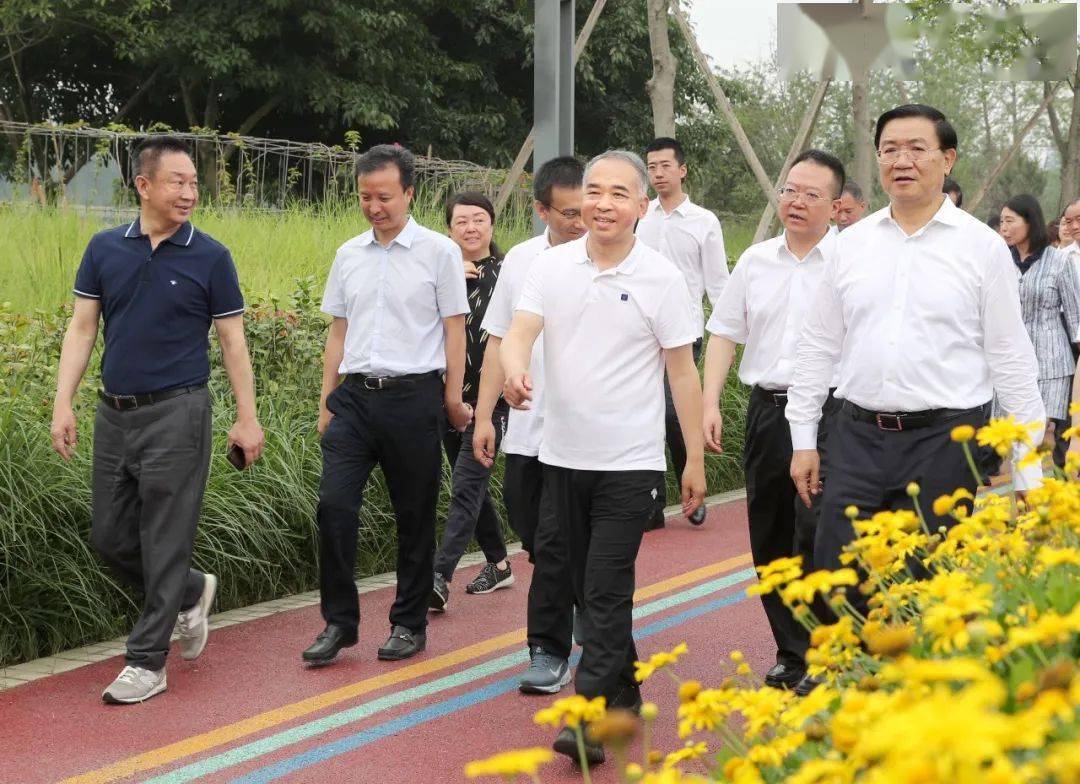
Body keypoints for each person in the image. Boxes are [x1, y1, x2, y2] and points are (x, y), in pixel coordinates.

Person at [501, 150, 706, 764]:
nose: (604, 203)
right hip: (560, 456)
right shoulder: (551, 266)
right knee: (580, 587)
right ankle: (624, 682)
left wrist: (692, 458)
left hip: (630, 463)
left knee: (606, 588)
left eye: (620, 193)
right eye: (595, 191)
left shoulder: (662, 278)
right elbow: (520, 333)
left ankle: (588, 718)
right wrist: (514, 372)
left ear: (642, 207)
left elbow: (683, 375)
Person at [787, 104, 1045, 579]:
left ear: (947, 160)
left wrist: (1028, 470)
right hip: (856, 439)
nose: (901, 160)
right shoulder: (850, 244)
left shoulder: (982, 248)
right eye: (889, 149)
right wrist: (803, 440)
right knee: (842, 578)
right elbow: (818, 346)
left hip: (944, 443)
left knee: (928, 583)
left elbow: (1010, 358)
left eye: (916, 149)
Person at [51, 136, 265, 704]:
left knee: (165, 538)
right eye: (178, 182)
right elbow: (82, 329)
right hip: (114, 414)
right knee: (109, 536)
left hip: (179, 411)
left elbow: (232, 341)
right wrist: (62, 401)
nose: (190, 192)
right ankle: (192, 591)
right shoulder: (104, 249)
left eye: (194, 183)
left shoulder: (210, 256)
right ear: (143, 186)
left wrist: (248, 418)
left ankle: (146, 662)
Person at [304, 144, 472, 666]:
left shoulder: (438, 252)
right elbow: (338, 330)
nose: (374, 207)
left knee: (413, 515)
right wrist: (326, 399)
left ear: (409, 193)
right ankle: (339, 622)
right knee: (334, 505)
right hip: (353, 398)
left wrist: (450, 398)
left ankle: (408, 622)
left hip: (414, 397)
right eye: (365, 197)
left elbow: (454, 329)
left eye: (384, 196)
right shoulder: (348, 254)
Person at [703, 149, 845, 697]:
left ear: (835, 206)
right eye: (790, 190)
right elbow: (723, 333)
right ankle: (792, 652)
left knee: (817, 535)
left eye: (812, 194)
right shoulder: (756, 260)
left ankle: (826, 653)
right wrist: (710, 401)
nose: (797, 201)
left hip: (832, 415)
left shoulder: (849, 262)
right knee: (770, 537)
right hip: (768, 412)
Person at [473, 156, 587, 694]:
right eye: (569, 213)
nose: (583, 221)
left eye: (587, 208)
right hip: (526, 428)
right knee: (534, 532)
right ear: (541, 210)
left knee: (555, 539)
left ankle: (548, 647)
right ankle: (580, 598)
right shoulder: (521, 261)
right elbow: (497, 338)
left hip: (586, 438)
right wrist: (484, 416)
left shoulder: (616, 260)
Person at [637, 137, 727, 529]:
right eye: (651, 167)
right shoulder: (640, 215)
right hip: (638, 333)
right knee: (645, 417)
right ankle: (650, 502)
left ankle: (691, 486)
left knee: (676, 416)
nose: (657, 173)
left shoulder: (703, 221)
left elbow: (718, 285)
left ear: (682, 169)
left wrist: (725, 335)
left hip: (683, 333)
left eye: (664, 166)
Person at [430, 192, 513, 610]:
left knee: (465, 485)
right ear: (449, 229)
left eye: (479, 220)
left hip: (490, 399)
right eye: (461, 222)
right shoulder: (438, 272)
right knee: (473, 488)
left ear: (492, 226)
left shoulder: (508, 272)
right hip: (447, 397)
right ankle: (499, 564)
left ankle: (438, 577)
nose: (470, 228)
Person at [998, 194, 1080, 469]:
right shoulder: (999, 261)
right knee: (1014, 436)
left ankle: (1049, 499)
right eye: (1001, 222)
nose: (1004, 228)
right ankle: (1023, 503)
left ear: (1030, 222)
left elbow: (1075, 315)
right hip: (1011, 361)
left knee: (1043, 433)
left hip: (1052, 362)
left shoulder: (1059, 261)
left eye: (1010, 221)